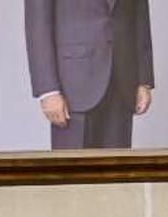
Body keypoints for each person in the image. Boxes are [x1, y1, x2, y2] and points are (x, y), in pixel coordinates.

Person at [25, 0, 153, 150]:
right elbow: (37, 25)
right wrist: (48, 90)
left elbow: (140, 14)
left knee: (116, 169)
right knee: (73, 170)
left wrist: (144, 80)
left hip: (121, 80)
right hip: (73, 84)